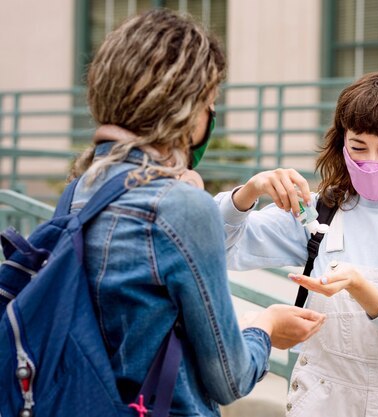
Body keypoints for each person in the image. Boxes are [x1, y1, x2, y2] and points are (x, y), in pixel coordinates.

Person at [68, 9, 325, 417]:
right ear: (186, 113)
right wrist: (267, 326)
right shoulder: (181, 208)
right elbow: (230, 378)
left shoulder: (79, 192)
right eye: (208, 104)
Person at [214, 72, 378, 416]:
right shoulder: (317, 212)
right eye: (358, 148)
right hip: (324, 403)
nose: (371, 162)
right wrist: (247, 193)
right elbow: (218, 247)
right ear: (342, 144)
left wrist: (360, 287)